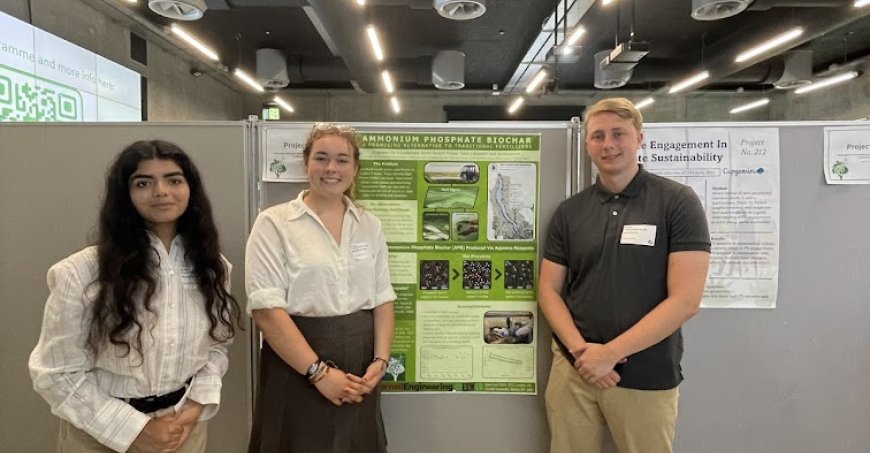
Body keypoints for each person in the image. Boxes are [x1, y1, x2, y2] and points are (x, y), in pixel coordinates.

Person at [29, 140, 241, 453]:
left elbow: (217, 346)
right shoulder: (83, 272)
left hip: (183, 430)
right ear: (125, 194)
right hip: (102, 435)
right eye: (143, 182)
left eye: (174, 179)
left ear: (190, 189)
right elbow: (56, 374)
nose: (161, 191)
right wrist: (136, 430)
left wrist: (194, 408)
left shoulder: (212, 268)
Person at [538, 97, 711, 453]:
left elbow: (686, 300)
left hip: (646, 375)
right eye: (598, 136)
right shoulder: (570, 212)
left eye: (619, 134)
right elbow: (548, 291)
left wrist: (610, 353)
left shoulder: (677, 202)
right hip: (575, 371)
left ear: (639, 139)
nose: (608, 145)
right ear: (586, 144)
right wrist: (583, 354)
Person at [246, 122, 396, 453]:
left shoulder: (369, 225)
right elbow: (267, 310)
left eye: (342, 160)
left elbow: (383, 299)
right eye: (322, 158)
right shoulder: (275, 223)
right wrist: (318, 374)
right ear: (306, 163)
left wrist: (380, 362)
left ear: (355, 168)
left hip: (361, 368)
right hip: (296, 365)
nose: (331, 168)